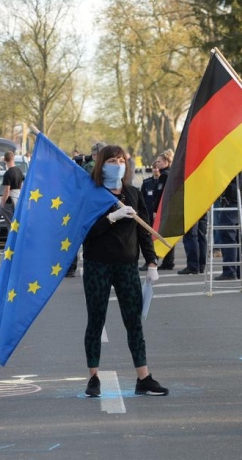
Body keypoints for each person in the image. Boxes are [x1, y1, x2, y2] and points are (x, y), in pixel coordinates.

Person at [82, 144, 168, 397]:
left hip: (127, 265)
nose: (118, 164)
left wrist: (151, 262)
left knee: (134, 321)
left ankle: (143, 377)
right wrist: (112, 217)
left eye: (121, 160)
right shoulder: (93, 194)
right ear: (102, 164)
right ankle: (93, 377)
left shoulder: (132, 193)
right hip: (98, 265)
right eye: (112, 160)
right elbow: (86, 232)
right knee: (96, 320)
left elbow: (144, 230)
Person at [147, 152, 174, 271]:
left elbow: (161, 195)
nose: (157, 163)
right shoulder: (167, 174)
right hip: (167, 208)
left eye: (159, 161)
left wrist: (155, 209)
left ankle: (168, 261)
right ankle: (168, 261)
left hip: (163, 208)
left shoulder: (165, 175)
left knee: (163, 235)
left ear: (166, 162)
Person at [0, 151, 24, 223]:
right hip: (17, 198)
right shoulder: (19, 171)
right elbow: (22, 185)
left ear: (5, 160)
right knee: (17, 221)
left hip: (10, 201)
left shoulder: (8, 173)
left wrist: (3, 203)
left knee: (11, 223)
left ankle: (12, 233)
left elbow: (7, 190)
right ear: (13, 158)